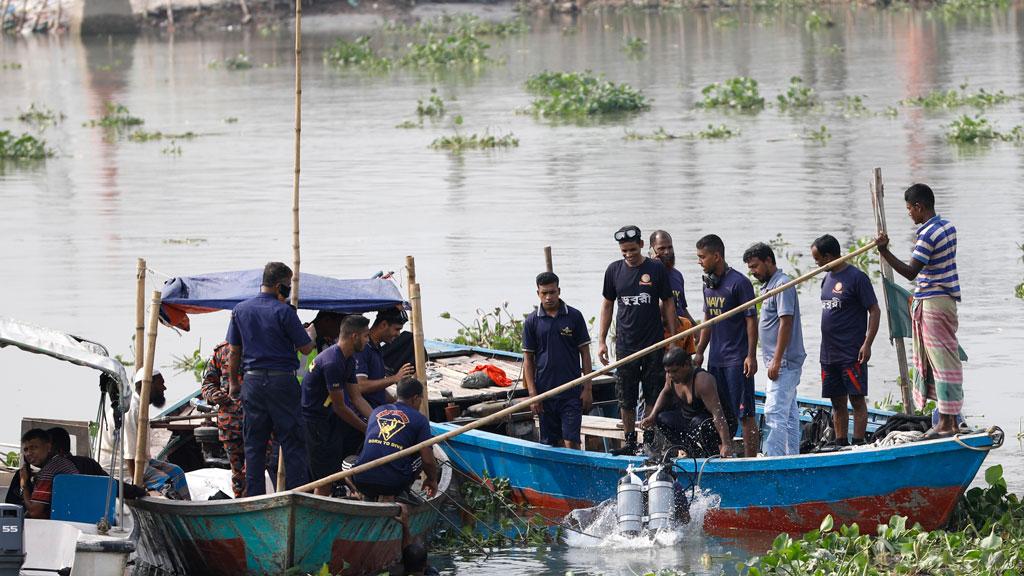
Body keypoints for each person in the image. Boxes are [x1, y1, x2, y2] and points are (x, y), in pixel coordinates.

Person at [876, 183, 962, 438]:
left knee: (942, 364)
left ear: (919, 207)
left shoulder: (927, 235)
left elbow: (911, 271)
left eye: (909, 209)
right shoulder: (948, 227)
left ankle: (947, 423)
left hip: (934, 302)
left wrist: (884, 251)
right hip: (945, 301)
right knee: (945, 362)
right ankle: (949, 420)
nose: (909, 215)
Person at [227, 261, 316, 495]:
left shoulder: (240, 310)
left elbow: (234, 351)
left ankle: (255, 498)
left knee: (254, 445)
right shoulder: (284, 312)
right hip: (281, 383)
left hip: (252, 382)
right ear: (279, 286)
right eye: (287, 286)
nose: (287, 290)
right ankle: (297, 494)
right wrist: (310, 335)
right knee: (292, 442)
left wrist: (234, 383)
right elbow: (306, 349)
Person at [599, 225, 678, 455]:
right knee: (626, 397)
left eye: (632, 250)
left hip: (653, 344)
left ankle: (650, 440)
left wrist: (672, 339)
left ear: (642, 245)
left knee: (653, 394)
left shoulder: (655, 269)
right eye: (624, 251)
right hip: (625, 346)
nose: (629, 255)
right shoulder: (613, 271)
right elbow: (607, 305)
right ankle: (631, 442)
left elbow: (668, 302)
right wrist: (602, 340)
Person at [693, 234, 759, 457]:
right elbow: (708, 322)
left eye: (702, 257)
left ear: (717, 256)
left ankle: (751, 461)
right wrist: (700, 351)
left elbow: (751, 320)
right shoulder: (708, 285)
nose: (699, 261)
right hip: (716, 360)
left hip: (737, 360)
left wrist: (751, 355)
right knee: (718, 410)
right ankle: (724, 452)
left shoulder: (740, 283)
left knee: (745, 412)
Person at [811, 234, 881, 446]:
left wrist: (867, 343)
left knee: (856, 399)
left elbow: (874, 311)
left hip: (851, 351)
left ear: (829, 255)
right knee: (837, 401)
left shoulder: (857, 278)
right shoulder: (827, 278)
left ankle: (858, 442)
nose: (816, 264)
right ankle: (841, 442)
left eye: (818, 259)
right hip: (829, 353)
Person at [744, 242, 806, 456]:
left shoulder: (782, 284)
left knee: (774, 413)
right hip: (778, 360)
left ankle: (774, 458)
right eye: (750, 268)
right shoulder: (770, 285)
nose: (753, 272)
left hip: (784, 361)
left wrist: (777, 360)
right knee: (788, 414)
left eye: (755, 266)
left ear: (768, 261)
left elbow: (785, 322)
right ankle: (791, 456)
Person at [522, 272, 594, 449]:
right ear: (537, 293)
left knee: (572, 441)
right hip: (545, 393)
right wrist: (533, 395)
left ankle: (575, 475)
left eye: (552, 292)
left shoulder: (574, 316)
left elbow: (585, 353)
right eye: (544, 293)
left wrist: (588, 387)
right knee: (551, 444)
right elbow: (528, 360)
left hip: (571, 392)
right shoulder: (532, 321)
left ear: (559, 291)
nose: (548, 297)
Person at [302, 315, 371, 494]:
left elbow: (357, 398)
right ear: (354, 336)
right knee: (324, 479)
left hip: (331, 417)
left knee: (353, 445)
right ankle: (319, 515)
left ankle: (351, 483)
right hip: (315, 421)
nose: (367, 340)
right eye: (365, 336)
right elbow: (341, 407)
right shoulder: (332, 362)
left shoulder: (348, 359)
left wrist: (376, 422)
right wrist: (366, 428)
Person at [99, 368, 192, 499]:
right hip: (122, 468)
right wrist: (138, 486)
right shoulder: (130, 410)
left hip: (141, 462)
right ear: (147, 385)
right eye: (161, 383)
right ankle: (178, 512)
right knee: (167, 484)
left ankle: (187, 508)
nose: (164, 388)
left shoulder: (140, 406)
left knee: (177, 472)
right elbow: (130, 455)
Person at [353, 378, 439, 502]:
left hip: (361, 480)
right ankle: (401, 493)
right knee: (424, 455)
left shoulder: (376, 411)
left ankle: (366, 495)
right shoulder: (420, 420)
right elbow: (428, 461)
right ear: (415, 398)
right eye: (421, 399)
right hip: (393, 485)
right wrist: (432, 479)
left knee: (351, 461)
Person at [639, 348, 736, 458]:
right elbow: (665, 393)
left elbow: (718, 414)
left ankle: (712, 455)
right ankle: (691, 450)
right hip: (691, 421)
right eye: (668, 371)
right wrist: (652, 416)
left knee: (699, 423)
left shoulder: (703, 381)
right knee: (661, 418)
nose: (671, 375)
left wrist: (726, 444)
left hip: (720, 425)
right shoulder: (670, 377)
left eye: (674, 371)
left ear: (686, 365)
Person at [350, 308, 415, 420]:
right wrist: (395, 378)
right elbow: (360, 386)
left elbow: (378, 389)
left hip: (377, 413)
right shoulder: (363, 348)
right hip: (363, 417)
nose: (398, 334)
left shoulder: (377, 347)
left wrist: (398, 403)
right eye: (396, 329)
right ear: (384, 325)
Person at [202, 341, 246, 497]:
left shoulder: (262, 344)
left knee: (258, 469)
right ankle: (241, 507)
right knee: (238, 475)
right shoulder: (221, 351)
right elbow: (207, 384)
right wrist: (214, 396)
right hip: (231, 423)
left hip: (259, 421)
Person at [19, 428, 79, 519]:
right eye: (26, 450)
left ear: (48, 447)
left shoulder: (49, 471)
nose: (28, 453)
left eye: (34, 448)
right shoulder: (61, 463)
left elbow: (34, 512)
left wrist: (24, 485)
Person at [650, 230, 697, 326]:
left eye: (670, 247)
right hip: (657, 335)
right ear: (652, 250)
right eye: (661, 248)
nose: (667, 252)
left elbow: (682, 308)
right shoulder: (645, 276)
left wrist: (697, 330)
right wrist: (654, 268)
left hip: (679, 333)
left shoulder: (677, 275)